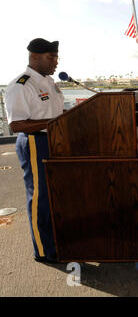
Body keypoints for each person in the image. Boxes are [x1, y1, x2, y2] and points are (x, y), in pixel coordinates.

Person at [5, 38, 63, 263]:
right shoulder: (21, 85)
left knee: (54, 196)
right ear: (34, 57)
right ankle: (43, 249)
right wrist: (54, 123)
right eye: (51, 57)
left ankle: (56, 240)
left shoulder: (49, 81)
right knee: (40, 197)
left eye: (56, 56)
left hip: (55, 140)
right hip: (35, 143)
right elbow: (16, 124)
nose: (56, 61)